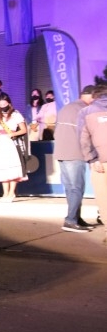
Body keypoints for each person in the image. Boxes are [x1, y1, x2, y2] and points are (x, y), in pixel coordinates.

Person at [54, 85, 96, 232]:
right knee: (77, 188)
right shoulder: (85, 110)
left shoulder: (66, 107)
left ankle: (76, 218)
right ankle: (71, 220)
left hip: (61, 152)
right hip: (75, 152)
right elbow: (88, 134)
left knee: (71, 188)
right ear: (92, 96)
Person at [79, 83, 107, 240]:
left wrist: (92, 158)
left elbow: (83, 138)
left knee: (104, 197)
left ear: (94, 96)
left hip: (100, 161)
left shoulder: (86, 112)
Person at [0, 93, 28, 201]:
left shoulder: (16, 114)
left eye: (4, 103)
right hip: (0, 142)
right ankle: (5, 193)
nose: (2, 106)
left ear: (9, 103)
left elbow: (23, 130)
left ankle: (11, 193)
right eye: (0, 104)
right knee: (3, 167)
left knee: (11, 166)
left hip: (11, 142)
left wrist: (13, 134)